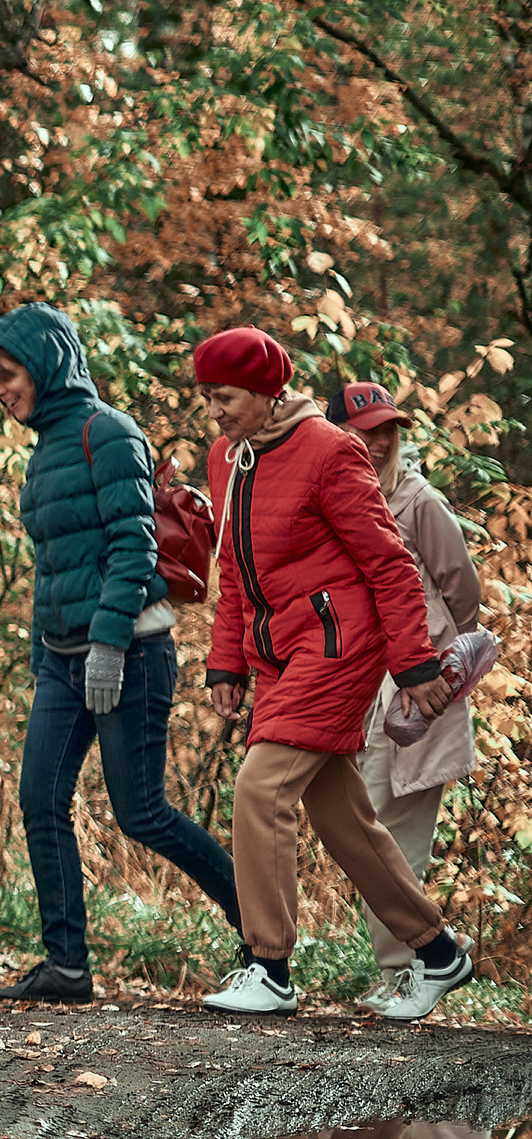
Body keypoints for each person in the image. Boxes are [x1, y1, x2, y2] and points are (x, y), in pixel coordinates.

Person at [195, 327, 468, 1020]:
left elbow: (389, 563)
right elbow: (232, 568)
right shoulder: (229, 459)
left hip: (338, 647)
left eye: (224, 397)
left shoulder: (328, 449)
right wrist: (226, 658)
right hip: (279, 655)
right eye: (208, 399)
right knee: (341, 815)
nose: (216, 412)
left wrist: (412, 664)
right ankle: (437, 952)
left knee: (260, 787)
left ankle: (269, 966)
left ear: (264, 391)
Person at [0, 305, 242, 1004]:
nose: (1, 391)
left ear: (49, 363)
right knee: (39, 799)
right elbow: (53, 566)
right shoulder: (43, 449)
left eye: (9, 375)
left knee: (142, 812)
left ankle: (260, 931)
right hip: (62, 657)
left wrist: (110, 645)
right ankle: (66, 966)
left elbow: (133, 546)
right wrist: (45, 656)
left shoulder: (109, 433)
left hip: (130, 652)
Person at [324, 380, 486, 1015]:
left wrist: (437, 660)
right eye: (364, 431)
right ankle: (412, 962)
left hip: (420, 696)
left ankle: (408, 970)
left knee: (396, 837)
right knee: (369, 830)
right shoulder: (335, 500)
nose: (379, 440)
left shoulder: (418, 502)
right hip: (359, 695)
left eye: (387, 429)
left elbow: (463, 593)